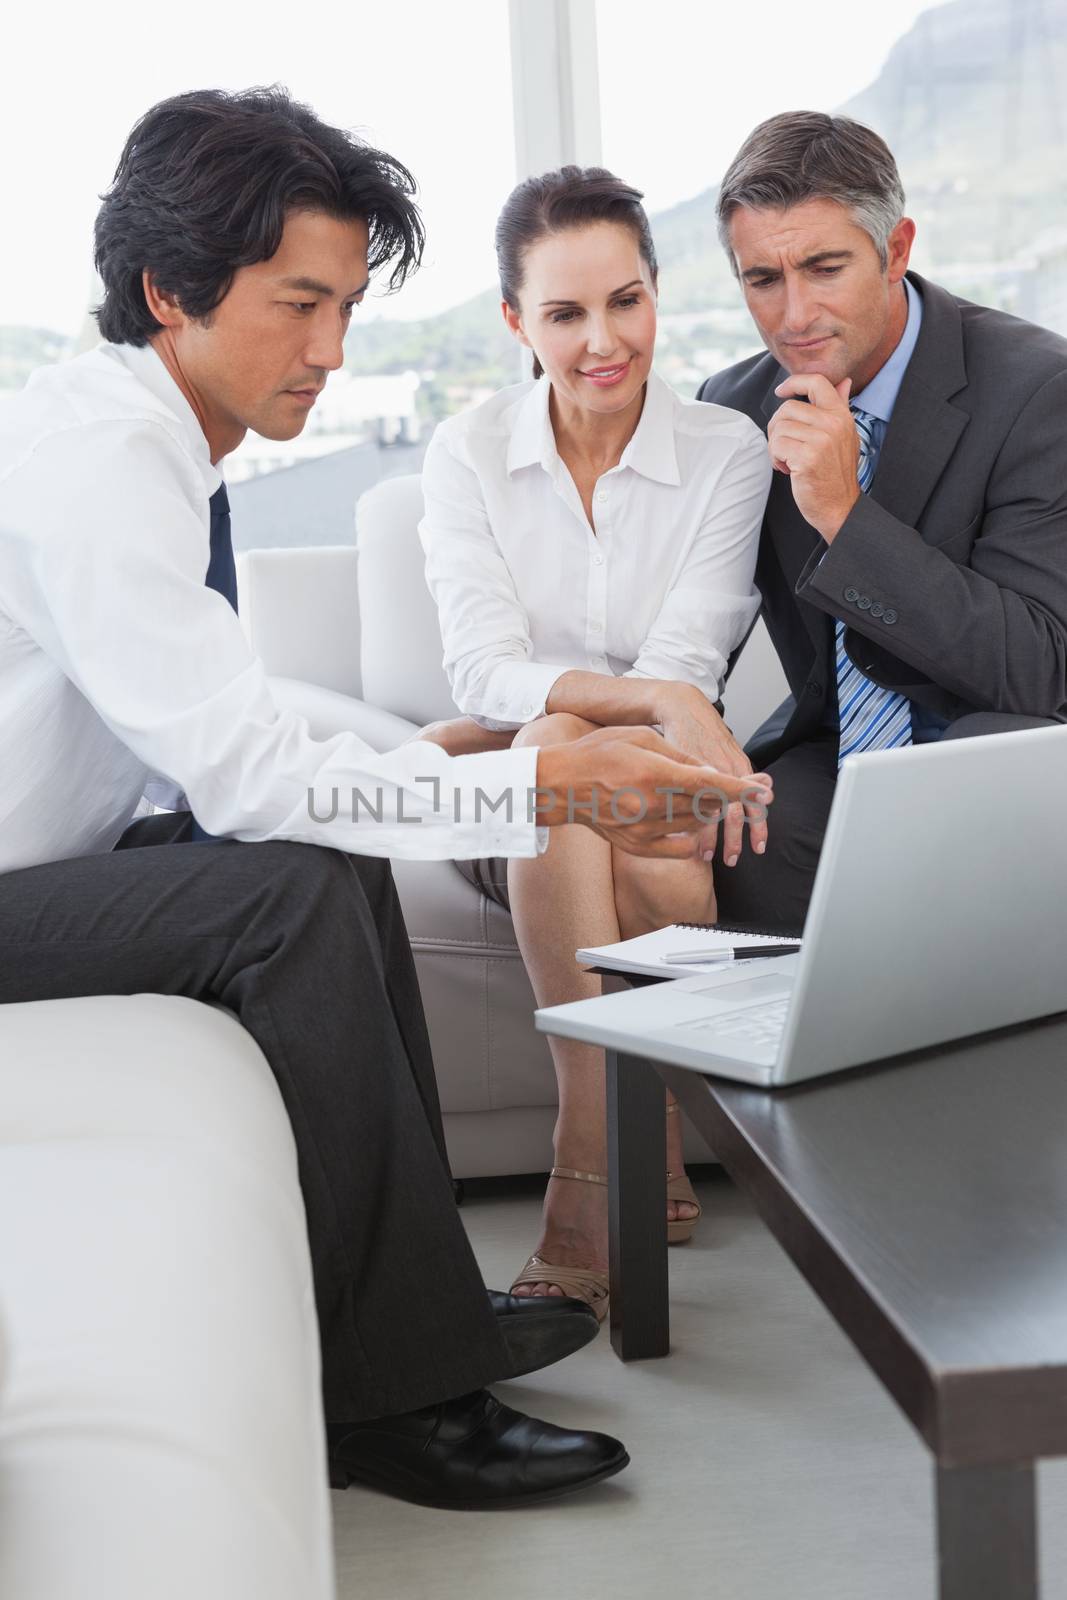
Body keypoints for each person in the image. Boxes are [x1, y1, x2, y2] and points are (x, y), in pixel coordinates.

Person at [0, 88, 773, 1510]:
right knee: (291, 890)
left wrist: (455, 769)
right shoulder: (104, 461)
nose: (332, 351)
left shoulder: (156, 443)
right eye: (301, 305)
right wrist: (535, 774)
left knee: (333, 864)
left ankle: (415, 1320)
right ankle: (400, 1400)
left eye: (347, 305)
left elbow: (224, 732)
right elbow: (241, 777)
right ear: (171, 288)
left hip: (52, 863)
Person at [417, 167, 772, 1319]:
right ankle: (623, 1142)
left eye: (624, 301)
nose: (602, 340)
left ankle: (594, 1165)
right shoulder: (464, 452)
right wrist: (612, 718)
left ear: (657, 295)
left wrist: (627, 712)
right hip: (523, 777)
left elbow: (685, 663)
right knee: (558, 746)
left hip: (639, 795)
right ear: (516, 322)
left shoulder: (724, 451)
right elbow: (483, 670)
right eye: (563, 313)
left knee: (613, 798)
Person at [698, 111, 1067, 935]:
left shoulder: (1039, 391)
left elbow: (1039, 669)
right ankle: (781, 1065)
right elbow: (690, 619)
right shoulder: (733, 409)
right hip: (841, 755)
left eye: (823, 268)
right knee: (744, 838)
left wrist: (840, 512)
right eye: (762, 279)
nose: (793, 316)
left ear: (895, 250)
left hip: (1013, 744)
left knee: (969, 811)